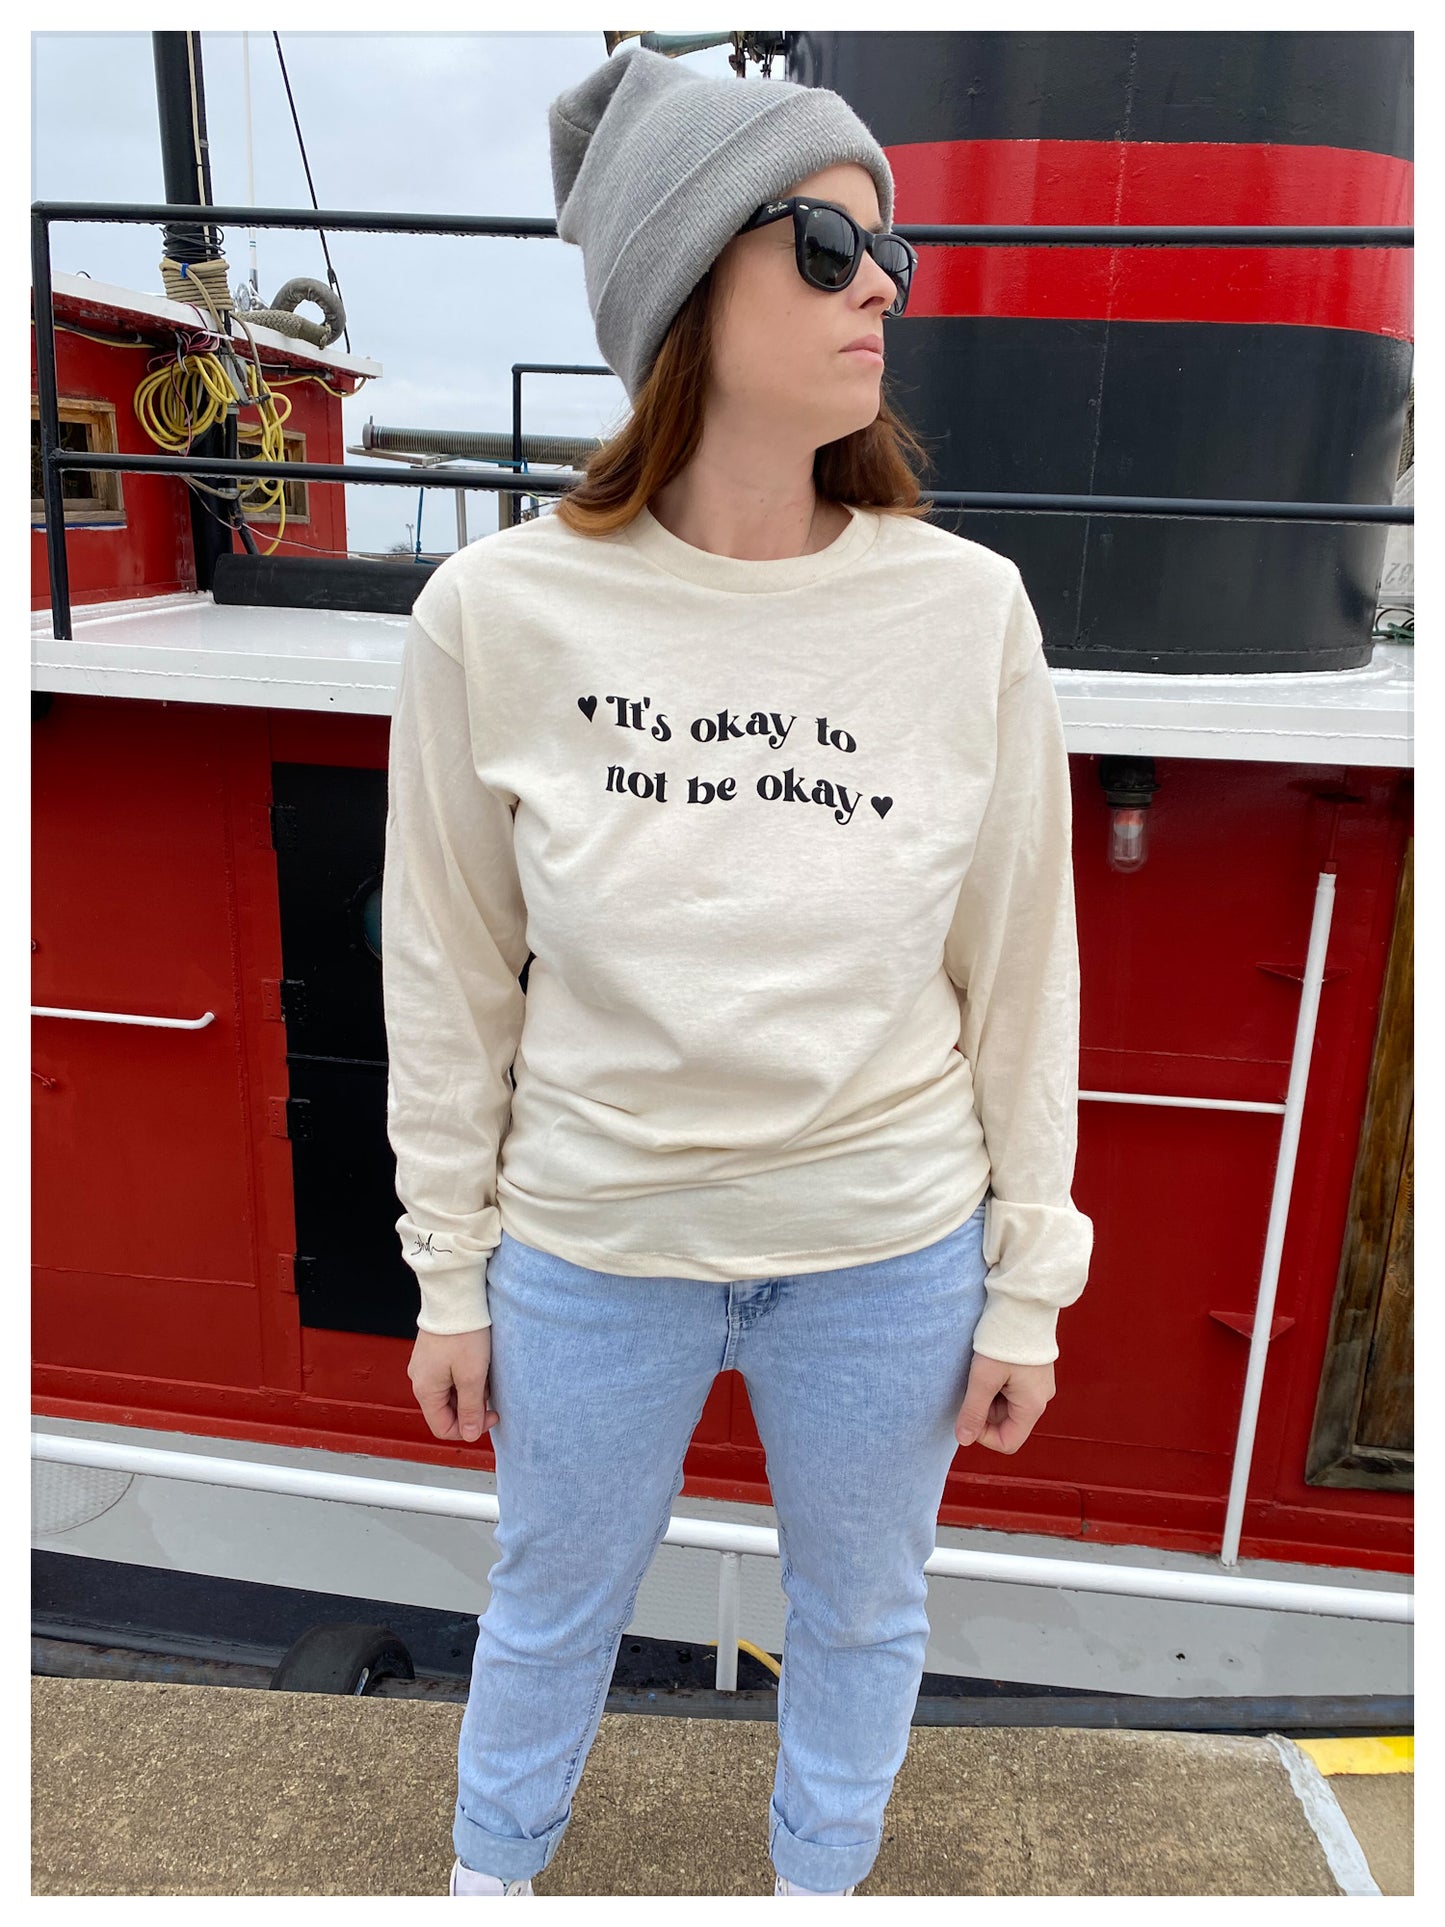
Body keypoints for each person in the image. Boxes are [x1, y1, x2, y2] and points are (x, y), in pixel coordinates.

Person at [380, 42, 1094, 1901]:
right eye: (823, 240)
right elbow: (447, 970)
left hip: (887, 1237)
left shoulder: (964, 610)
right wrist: (447, 1267)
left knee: (861, 1613)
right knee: (549, 1608)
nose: (880, 286)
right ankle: (491, 1878)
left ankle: (819, 1883)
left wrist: (1026, 1281)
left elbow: (1019, 964)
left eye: (889, 254)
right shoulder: (494, 614)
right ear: (683, 279)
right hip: (593, 1239)